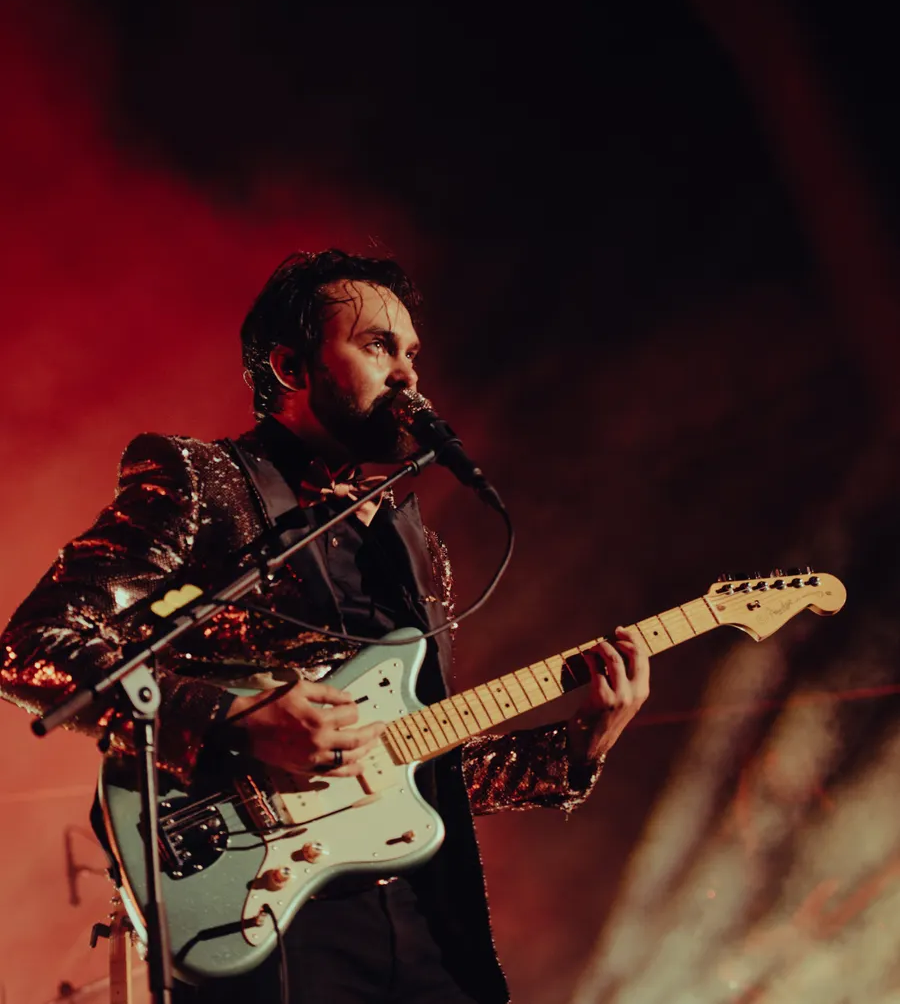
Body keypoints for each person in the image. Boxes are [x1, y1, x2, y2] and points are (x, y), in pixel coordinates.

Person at [0, 249, 650, 1004]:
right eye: (378, 346)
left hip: (426, 933)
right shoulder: (203, 481)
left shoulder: (416, 549)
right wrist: (236, 717)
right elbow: (32, 648)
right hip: (265, 918)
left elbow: (412, 765)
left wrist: (576, 747)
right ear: (291, 367)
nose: (406, 373)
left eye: (412, 353)